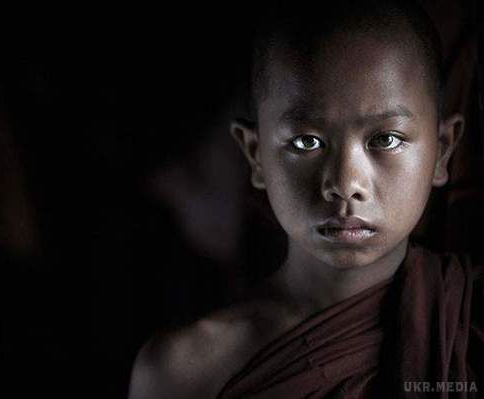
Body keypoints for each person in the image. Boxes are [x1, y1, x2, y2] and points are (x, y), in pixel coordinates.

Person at [127, 1, 483, 397]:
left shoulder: (473, 326)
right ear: (255, 156)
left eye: (386, 140)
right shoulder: (185, 371)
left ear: (443, 150)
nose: (346, 184)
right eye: (306, 141)